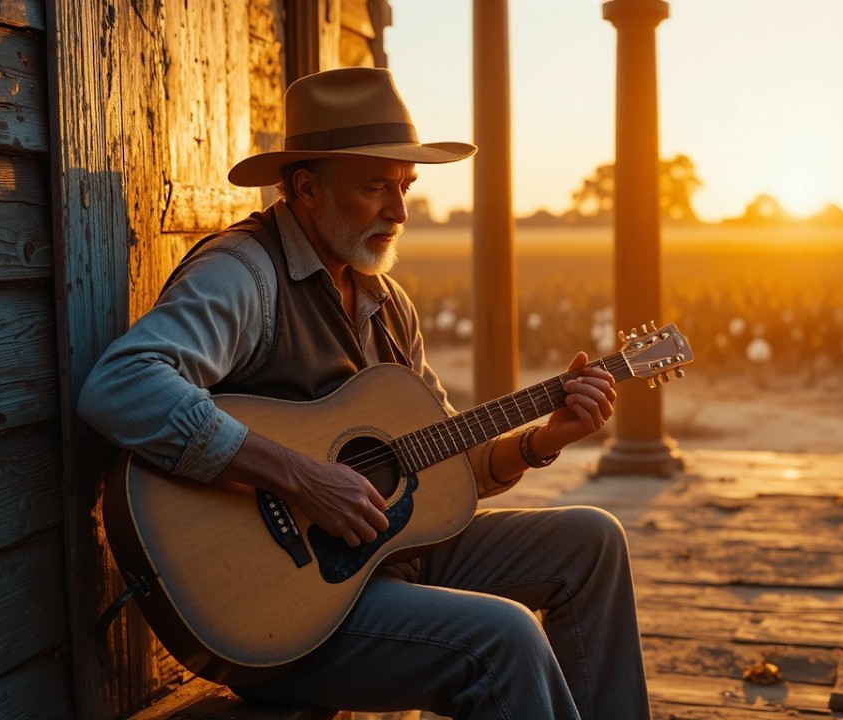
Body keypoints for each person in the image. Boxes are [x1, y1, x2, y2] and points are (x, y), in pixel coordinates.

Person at [78, 67, 652, 719]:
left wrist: (542, 440)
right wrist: (300, 478)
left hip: (389, 561)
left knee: (593, 542)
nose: (400, 212)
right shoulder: (244, 276)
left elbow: (445, 468)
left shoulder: (387, 303)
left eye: (405, 186)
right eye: (376, 186)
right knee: (505, 638)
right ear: (306, 188)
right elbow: (120, 386)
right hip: (287, 610)